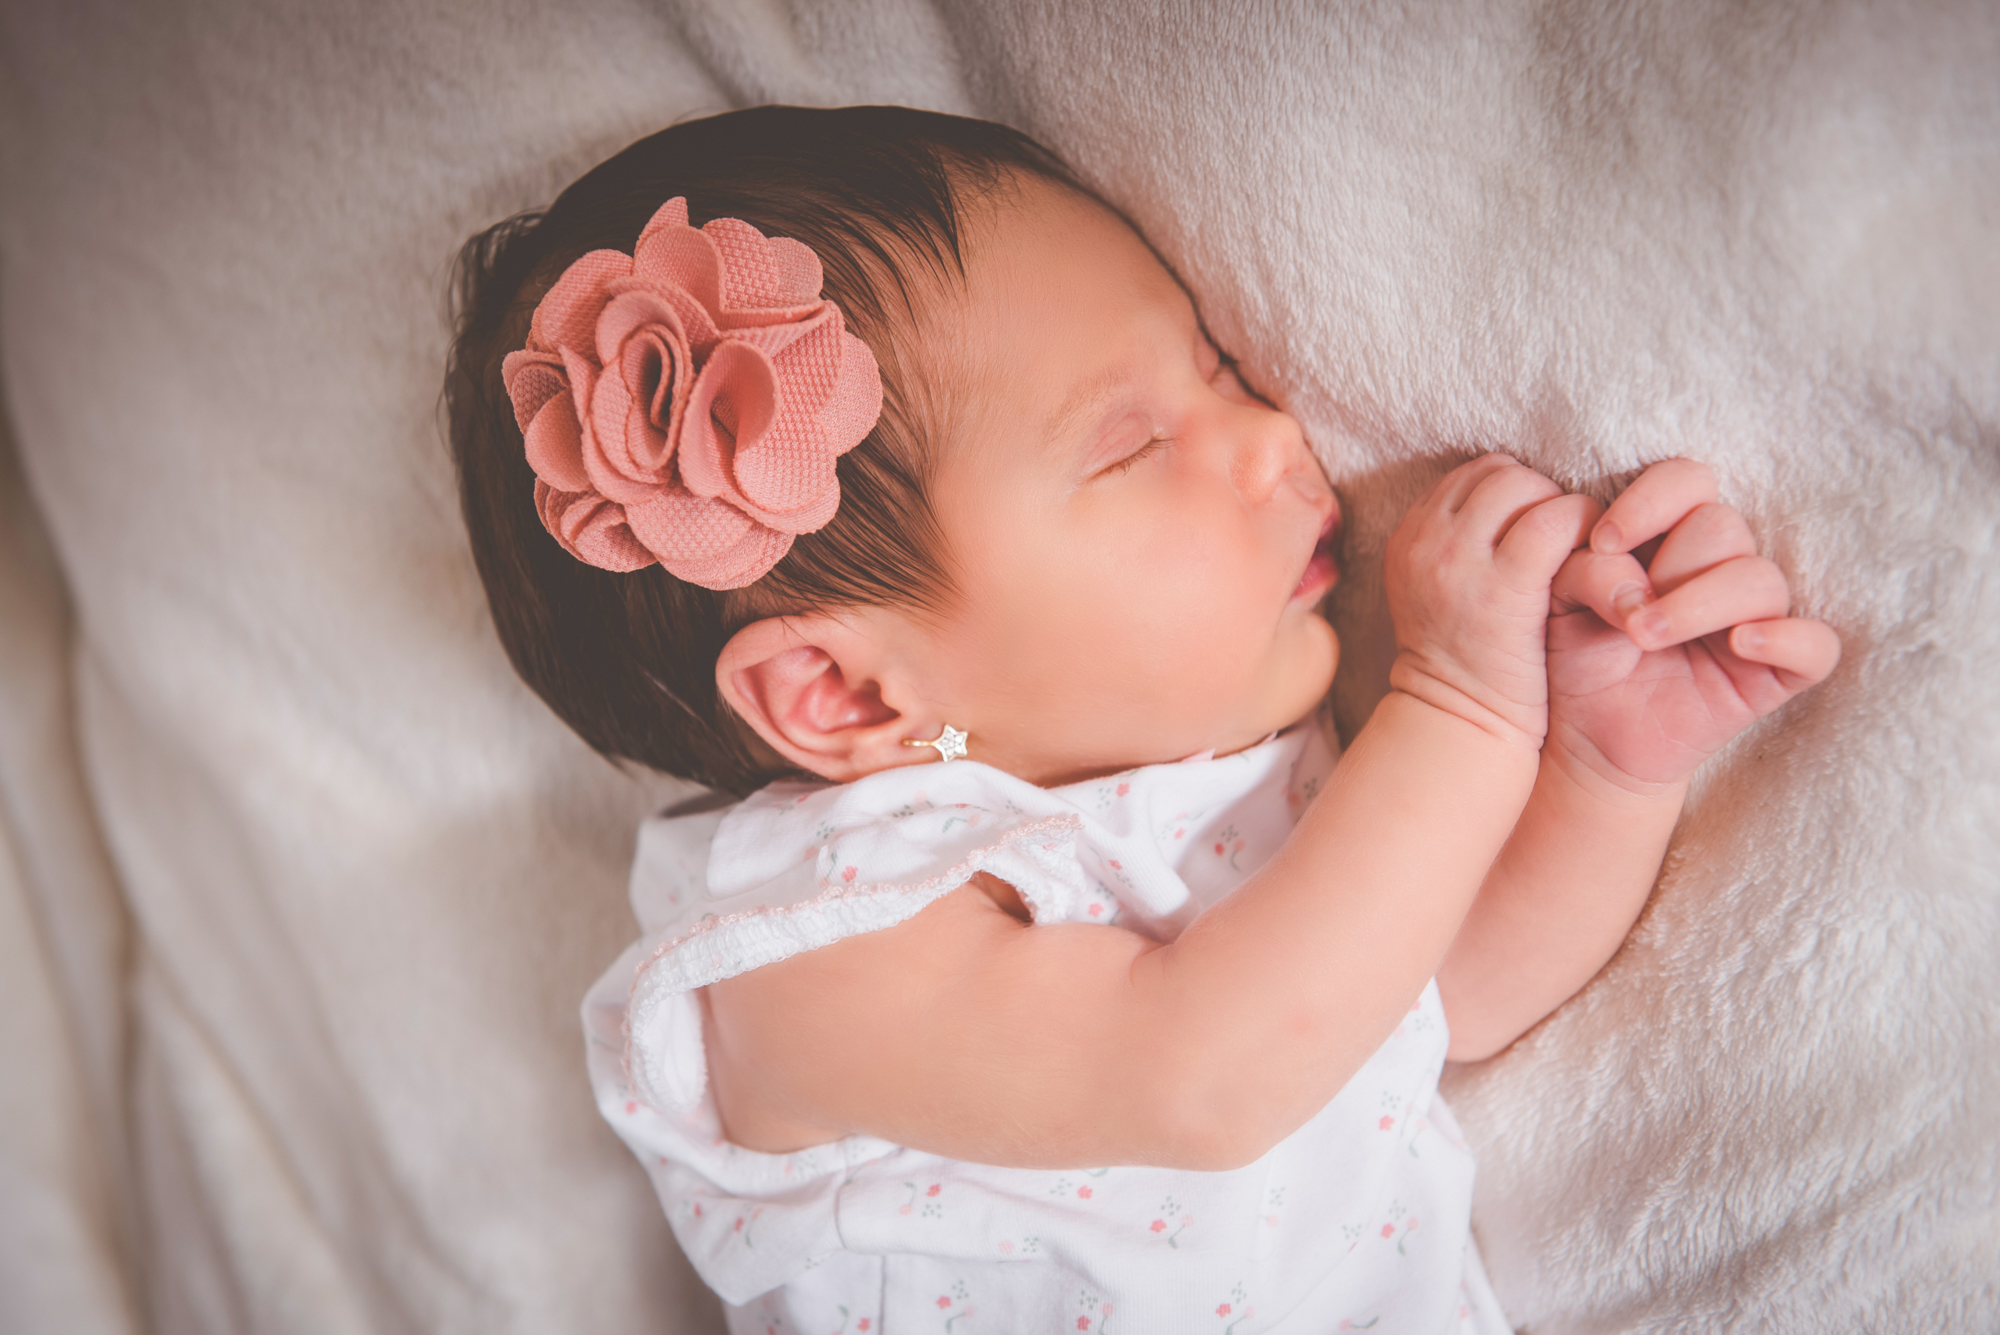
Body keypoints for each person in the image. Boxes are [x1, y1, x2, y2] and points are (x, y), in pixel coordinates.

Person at [443, 105, 1839, 1333]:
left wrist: (1602, 763)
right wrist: (1461, 704)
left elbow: (1436, 994)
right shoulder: (809, 954)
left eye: (1221, 365)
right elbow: (1206, 1076)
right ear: (849, 695)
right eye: (1129, 447)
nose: (1277, 438)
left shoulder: (1226, 792)